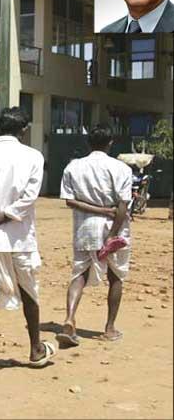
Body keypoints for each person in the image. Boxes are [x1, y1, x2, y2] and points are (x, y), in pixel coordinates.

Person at [0, 107, 56, 382]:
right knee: (30, 293)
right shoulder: (33, 157)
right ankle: (36, 349)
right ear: (23, 130)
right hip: (19, 239)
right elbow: (27, 200)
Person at [57, 125, 132, 347]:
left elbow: (69, 201)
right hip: (114, 226)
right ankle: (109, 328)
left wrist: (97, 211)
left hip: (85, 227)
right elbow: (122, 205)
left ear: (88, 143)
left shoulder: (74, 167)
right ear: (110, 143)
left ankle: (69, 319)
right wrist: (112, 235)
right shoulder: (121, 168)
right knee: (116, 276)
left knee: (79, 273)